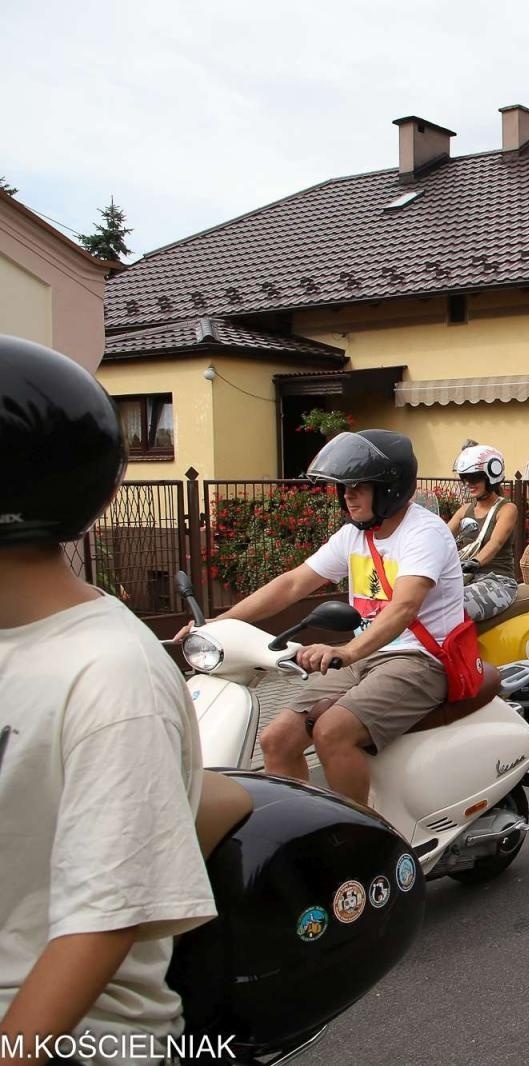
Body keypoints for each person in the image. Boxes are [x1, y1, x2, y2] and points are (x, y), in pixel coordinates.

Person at [0, 336, 216, 1062]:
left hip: (78, 1041)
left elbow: (102, 922)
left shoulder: (108, 675)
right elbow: (300, 582)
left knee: (329, 728)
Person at [183, 430, 464, 805]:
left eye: (359, 486)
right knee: (276, 739)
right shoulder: (353, 536)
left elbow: (404, 607)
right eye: (344, 486)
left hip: (420, 661)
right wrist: (220, 625)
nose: (347, 495)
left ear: (390, 488)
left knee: (331, 731)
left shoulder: (424, 533)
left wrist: (347, 651)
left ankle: (360, 844)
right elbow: (293, 583)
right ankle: (302, 833)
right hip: (367, 657)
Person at [448, 444, 520, 622]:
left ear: (492, 476)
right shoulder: (464, 510)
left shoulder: (507, 508)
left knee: (451, 609)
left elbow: (495, 543)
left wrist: (475, 562)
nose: (469, 484)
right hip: (465, 579)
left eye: (474, 478)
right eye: (465, 479)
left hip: (498, 581)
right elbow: (442, 536)